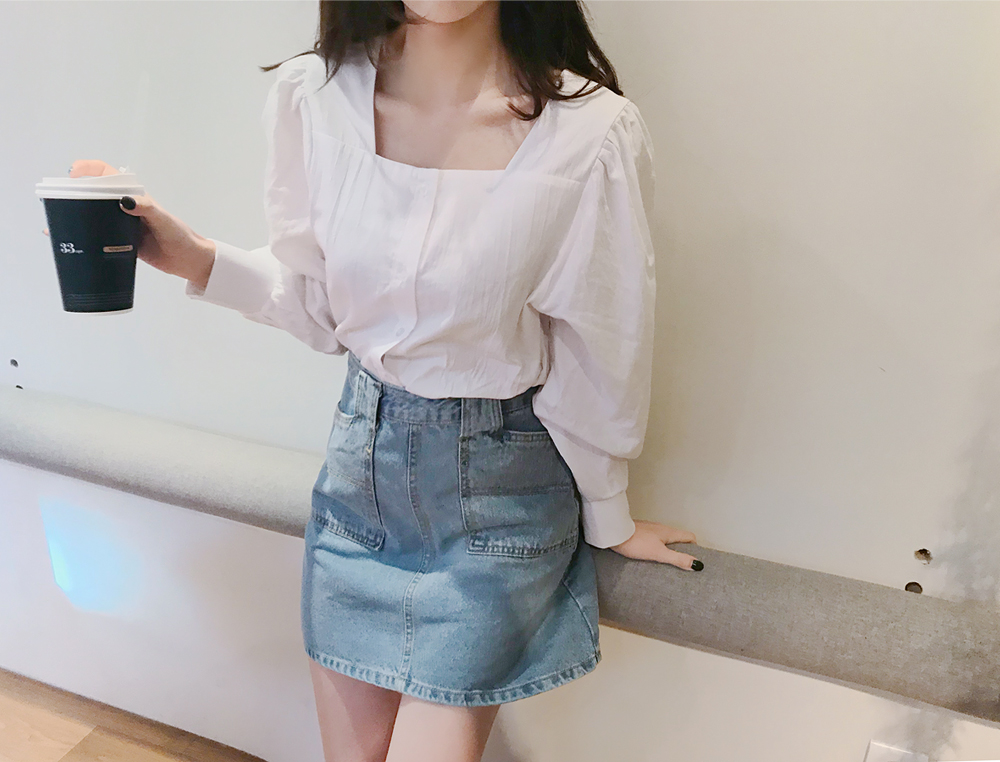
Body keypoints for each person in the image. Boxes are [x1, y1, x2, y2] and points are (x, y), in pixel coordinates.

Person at [56, 2, 705, 760]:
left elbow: (604, 344)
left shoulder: (590, 132)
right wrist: (193, 256)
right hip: (358, 478)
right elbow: (321, 303)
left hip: (498, 498)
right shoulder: (314, 97)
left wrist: (608, 512)